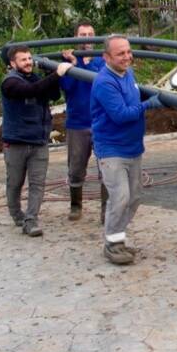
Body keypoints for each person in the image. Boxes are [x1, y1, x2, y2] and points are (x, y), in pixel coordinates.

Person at [91, 35, 163, 265]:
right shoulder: (104, 82)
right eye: (120, 53)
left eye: (128, 52)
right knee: (120, 197)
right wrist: (150, 104)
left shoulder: (128, 74)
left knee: (135, 198)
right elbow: (121, 115)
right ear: (106, 57)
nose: (127, 57)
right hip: (112, 149)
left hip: (133, 148)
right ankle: (111, 244)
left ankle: (118, 238)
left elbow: (135, 95)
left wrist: (152, 95)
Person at [1, 45, 72, 237]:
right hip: (16, 142)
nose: (28, 62)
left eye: (30, 58)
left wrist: (52, 73)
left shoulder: (35, 78)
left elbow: (53, 95)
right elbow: (31, 91)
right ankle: (17, 214)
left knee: (37, 183)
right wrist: (57, 73)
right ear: (12, 63)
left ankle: (31, 220)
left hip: (39, 141)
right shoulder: (10, 83)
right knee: (15, 183)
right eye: (23, 59)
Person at [59, 21, 105, 221]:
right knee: (76, 168)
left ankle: (106, 209)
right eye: (83, 35)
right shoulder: (67, 63)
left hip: (101, 122)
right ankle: (75, 205)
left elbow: (102, 82)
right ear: (76, 38)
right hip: (77, 123)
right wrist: (73, 66)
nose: (87, 39)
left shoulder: (102, 61)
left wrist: (84, 65)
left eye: (90, 35)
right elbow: (67, 88)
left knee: (106, 167)